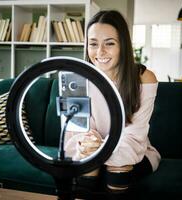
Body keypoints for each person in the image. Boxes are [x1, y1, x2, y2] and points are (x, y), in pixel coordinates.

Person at [64, 10, 161, 196]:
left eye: (109, 43)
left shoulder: (143, 78)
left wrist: (98, 150)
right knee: (88, 164)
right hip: (89, 151)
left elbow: (134, 135)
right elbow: (74, 133)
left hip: (133, 150)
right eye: (93, 44)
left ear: (123, 45)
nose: (100, 52)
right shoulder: (75, 79)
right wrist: (88, 146)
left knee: (118, 168)